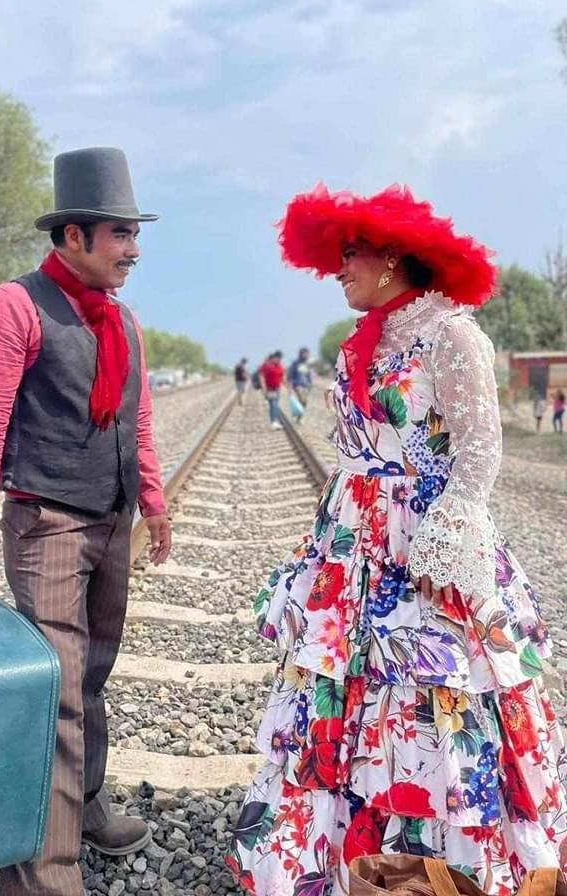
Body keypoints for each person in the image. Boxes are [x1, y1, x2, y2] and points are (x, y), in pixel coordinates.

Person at [228, 184, 567, 896]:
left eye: (350, 255)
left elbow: (480, 449)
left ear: (391, 259)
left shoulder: (451, 334)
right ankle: (338, 858)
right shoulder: (369, 339)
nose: (338, 270)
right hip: (355, 543)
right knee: (342, 683)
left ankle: (438, 861)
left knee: (435, 685)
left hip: (425, 543)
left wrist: (443, 539)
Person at [0, 147, 172, 896]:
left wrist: (153, 502)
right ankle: (44, 875)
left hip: (109, 521)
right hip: (47, 523)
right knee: (56, 697)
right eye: (121, 234)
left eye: (134, 233)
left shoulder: (123, 321)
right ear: (74, 236)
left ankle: (83, 811)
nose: (133, 249)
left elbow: (138, 419)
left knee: (92, 678)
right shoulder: (11, 308)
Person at [260, 351, 286, 428]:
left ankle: (274, 421)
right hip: (270, 388)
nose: (279, 360)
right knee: (273, 404)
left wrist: (287, 386)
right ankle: (274, 422)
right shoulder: (267, 365)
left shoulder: (280, 366)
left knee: (275, 405)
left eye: (280, 359)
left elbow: (282, 376)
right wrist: (263, 388)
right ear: (274, 357)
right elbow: (261, 376)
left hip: (277, 388)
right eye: (278, 358)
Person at [288, 347, 313, 421]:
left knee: (305, 402)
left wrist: (310, 383)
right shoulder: (295, 364)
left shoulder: (307, 364)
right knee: (302, 399)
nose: (306, 355)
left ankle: (299, 416)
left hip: (306, 385)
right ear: (301, 354)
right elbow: (291, 375)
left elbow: (308, 374)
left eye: (307, 354)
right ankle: (298, 414)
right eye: (305, 354)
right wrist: (290, 385)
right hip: (298, 385)